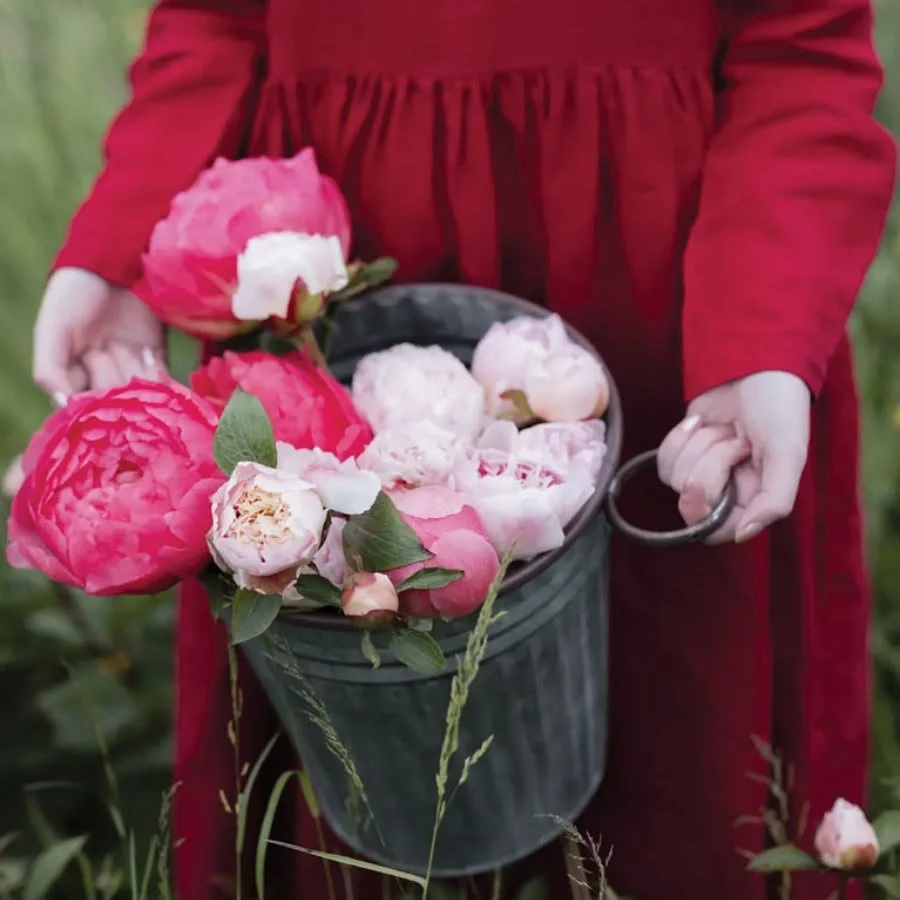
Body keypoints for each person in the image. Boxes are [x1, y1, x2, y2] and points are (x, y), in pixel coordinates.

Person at [31, 0, 895, 897]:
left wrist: (761, 333)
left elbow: (796, 43)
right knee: (351, 758)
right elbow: (218, 20)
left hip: (665, 303)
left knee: (679, 760)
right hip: (334, 275)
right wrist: (123, 246)